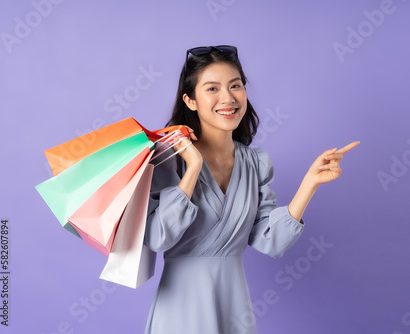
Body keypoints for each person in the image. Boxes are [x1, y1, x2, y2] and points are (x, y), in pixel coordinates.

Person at [143, 45, 359, 334]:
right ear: (190, 100)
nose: (228, 98)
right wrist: (193, 167)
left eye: (236, 85)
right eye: (212, 88)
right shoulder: (168, 160)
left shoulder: (255, 163)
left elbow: (271, 240)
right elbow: (158, 237)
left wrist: (310, 182)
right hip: (181, 310)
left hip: (234, 309)